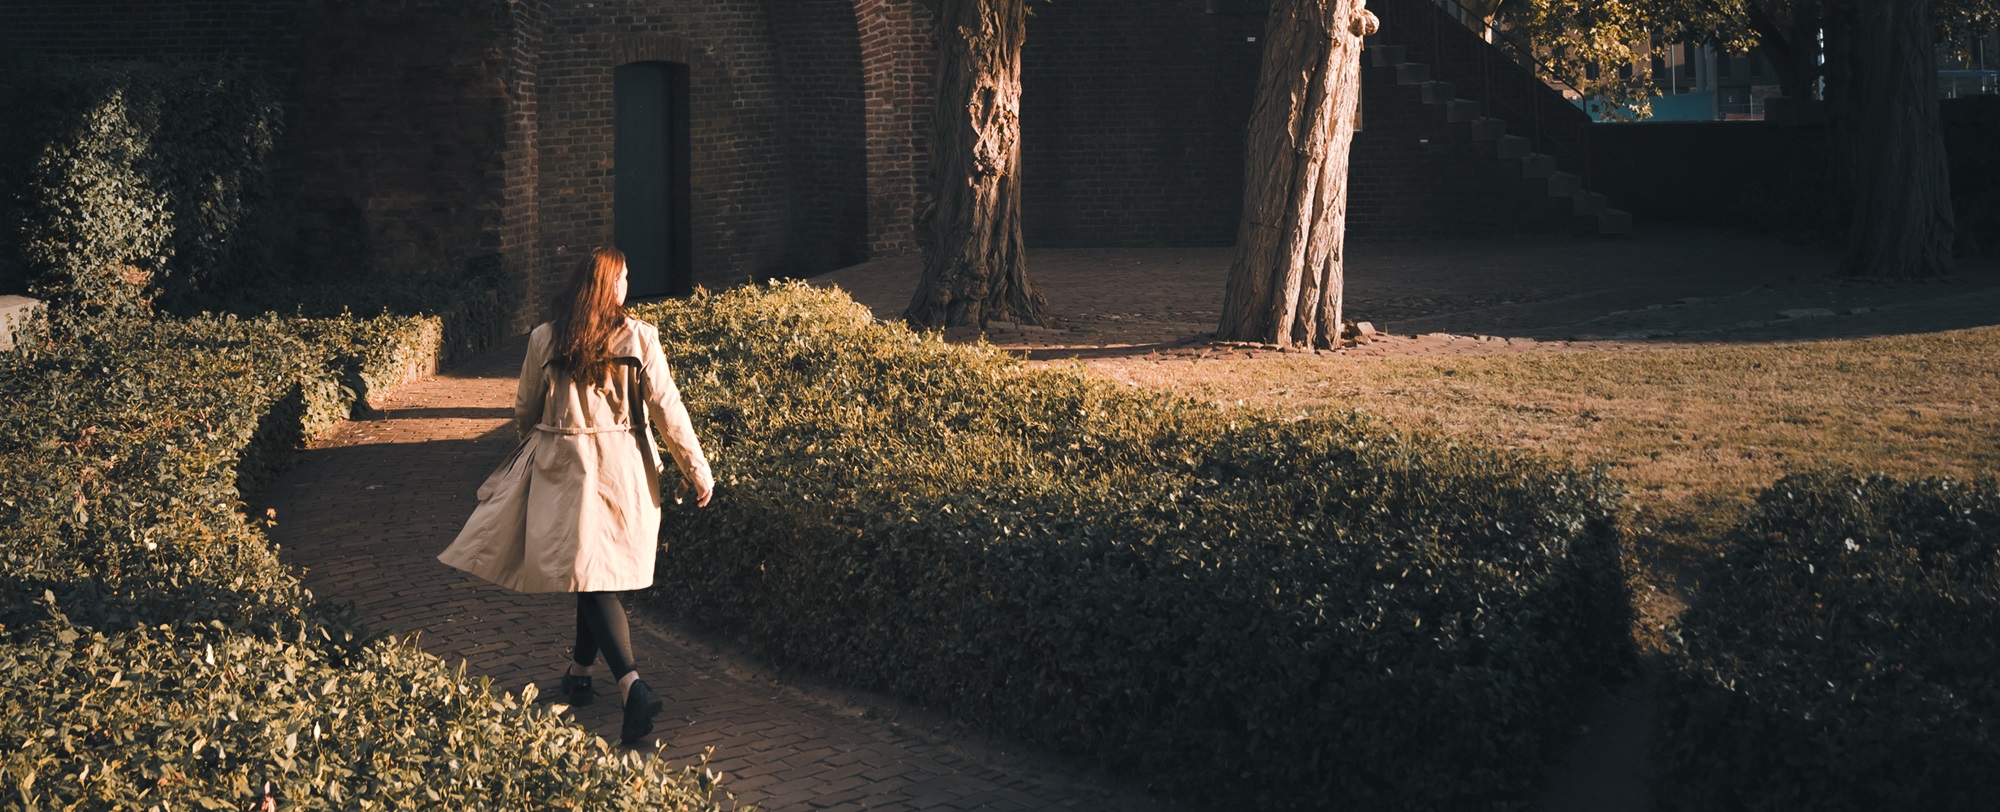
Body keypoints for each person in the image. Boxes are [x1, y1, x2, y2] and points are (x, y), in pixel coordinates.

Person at [439, 245, 714, 747]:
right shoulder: (640, 338)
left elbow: (524, 407)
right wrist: (697, 470)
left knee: (588, 574)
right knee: (591, 573)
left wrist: (539, 440)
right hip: (624, 471)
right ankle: (581, 673)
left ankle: (631, 685)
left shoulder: (546, 338)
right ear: (610, 287)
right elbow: (667, 411)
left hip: (565, 470)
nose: (627, 287)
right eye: (623, 279)